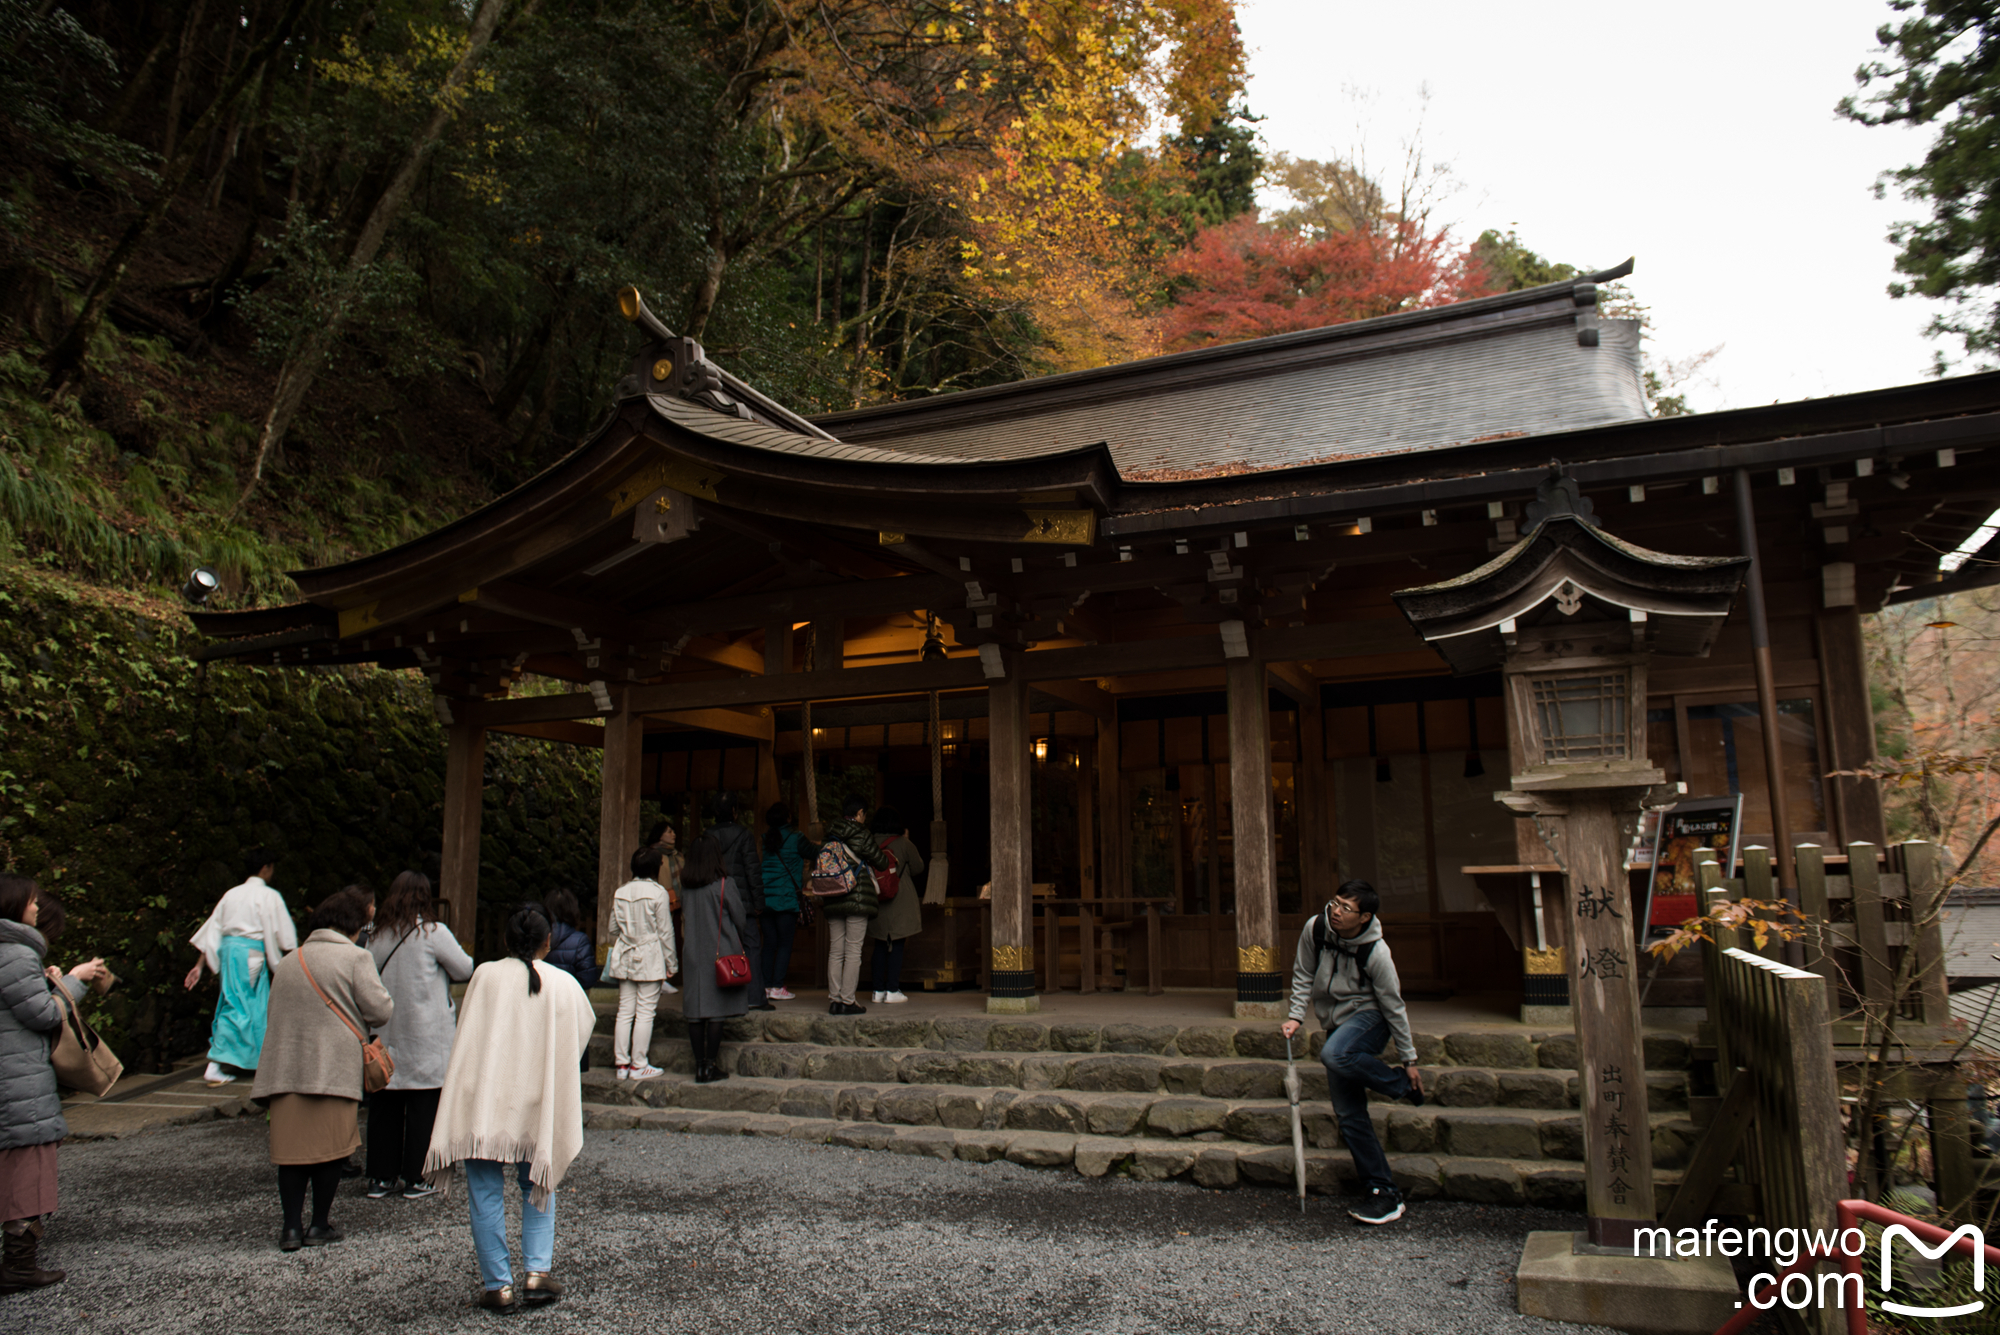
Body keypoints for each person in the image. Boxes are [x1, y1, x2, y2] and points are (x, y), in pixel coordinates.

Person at [423, 904, 595, 1313]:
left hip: (485, 1101)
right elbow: (581, 1033)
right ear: (547, 942)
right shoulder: (563, 983)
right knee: (538, 1182)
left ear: (505, 941)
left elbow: (469, 1036)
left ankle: (497, 1285)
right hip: (537, 1100)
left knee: (484, 1190)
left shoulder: (485, 976)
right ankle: (537, 1273)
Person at [251, 889, 393, 1251]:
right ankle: (318, 1225)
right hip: (333, 1068)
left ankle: (289, 1229)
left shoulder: (289, 961)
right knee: (330, 1150)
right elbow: (381, 1010)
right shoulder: (355, 958)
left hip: (286, 1069)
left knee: (292, 1153)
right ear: (353, 924)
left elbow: (274, 1014)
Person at [1280, 880, 1424, 1226]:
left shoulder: (1376, 952)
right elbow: (1302, 973)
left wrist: (1409, 1059)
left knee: (1334, 1054)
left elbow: (1394, 1005)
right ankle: (1383, 1192)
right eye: (1335, 902)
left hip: (1370, 1018)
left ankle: (1400, 1084)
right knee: (1348, 1114)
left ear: (1365, 917)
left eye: (1346, 908)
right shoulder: (1316, 929)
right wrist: (1296, 1015)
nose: (1336, 911)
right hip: (1337, 1022)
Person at [0, 876, 108, 1294]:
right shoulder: (14, 954)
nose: (35, 908)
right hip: (18, 1080)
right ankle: (19, 1265)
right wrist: (76, 981)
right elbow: (44, 1015)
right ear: (14, 908)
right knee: (28, 1168)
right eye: (30, 902)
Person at [363, 871, 473, 1202]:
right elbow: (465, 968)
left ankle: (381, 1177)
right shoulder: (433, 932)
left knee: (385, 1105)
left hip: (386, 1032)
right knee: (425, 1106)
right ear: (425, 897)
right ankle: (419, 1176)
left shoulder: (377, 935)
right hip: (426, 1034)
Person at [186, 849, 298, 1087]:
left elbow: (212, 930)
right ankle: (214, 1065)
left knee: (247, 1005)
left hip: (229, 953)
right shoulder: (269, 896)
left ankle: (259, 1062)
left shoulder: (231, 894)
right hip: (251, 954)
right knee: (238, 1007)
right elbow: (285, 937)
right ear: (266, 868)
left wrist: (199, 965)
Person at [676, 833, 747, 1082]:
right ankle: (710, 1065)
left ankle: (699, 1066)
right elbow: (739, 917)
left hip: (693, 953)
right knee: (716, 1011)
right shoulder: (724, 884)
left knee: (695, 1012)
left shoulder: (686, 888)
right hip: (720, 952)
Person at [602, 846, 676, 1082]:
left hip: (625, 954)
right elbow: (665, 932)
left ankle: (621, 1064)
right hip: (650, 955)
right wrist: (671, 962)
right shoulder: (658, 893)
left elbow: (613, 928)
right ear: (656, 868)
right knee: (645, 1012)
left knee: (624, 1011)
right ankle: (639, 1064)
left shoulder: (621, 891)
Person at [820, 797, 892, 1016]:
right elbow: (881, 862)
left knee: (835, 950)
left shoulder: (831, 833)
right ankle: (848, 1000)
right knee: (853, 949)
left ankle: (834, 999)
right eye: (864, 814)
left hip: (833, 895)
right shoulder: (861, 833)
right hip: (857, 896)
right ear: (860, 813)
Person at [705, 794, 770, 1011]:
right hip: (743, 903)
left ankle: (721, 997)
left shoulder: (706, 837)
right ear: (734, 811)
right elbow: (752, 870)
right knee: (751, 946)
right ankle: (754, 997)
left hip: (714, 901)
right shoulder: (744, 835)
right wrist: (759, 902)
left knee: (717, 947)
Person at [866, 807, 926, 1005]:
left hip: (874, 898)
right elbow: (918, 867)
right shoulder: (904, 843)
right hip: (900, 898)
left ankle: (877, 990)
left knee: (880, 944)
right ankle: (892, 989)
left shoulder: (868, 842)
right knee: (897, 944)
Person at [759, 803, 815, 1002]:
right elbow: (814, 852)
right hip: (785, 899)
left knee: (769, 945)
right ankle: (777, 986)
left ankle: (765, 987)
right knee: (784, 944)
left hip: (766, 900)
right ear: (788, 818)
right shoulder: (795, 837)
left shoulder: (767, 839)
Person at [541, 889, 600, 991]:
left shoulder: (538, 936)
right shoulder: (580, 941)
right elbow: (588, 979)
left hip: (541, 997)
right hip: (570, 999)